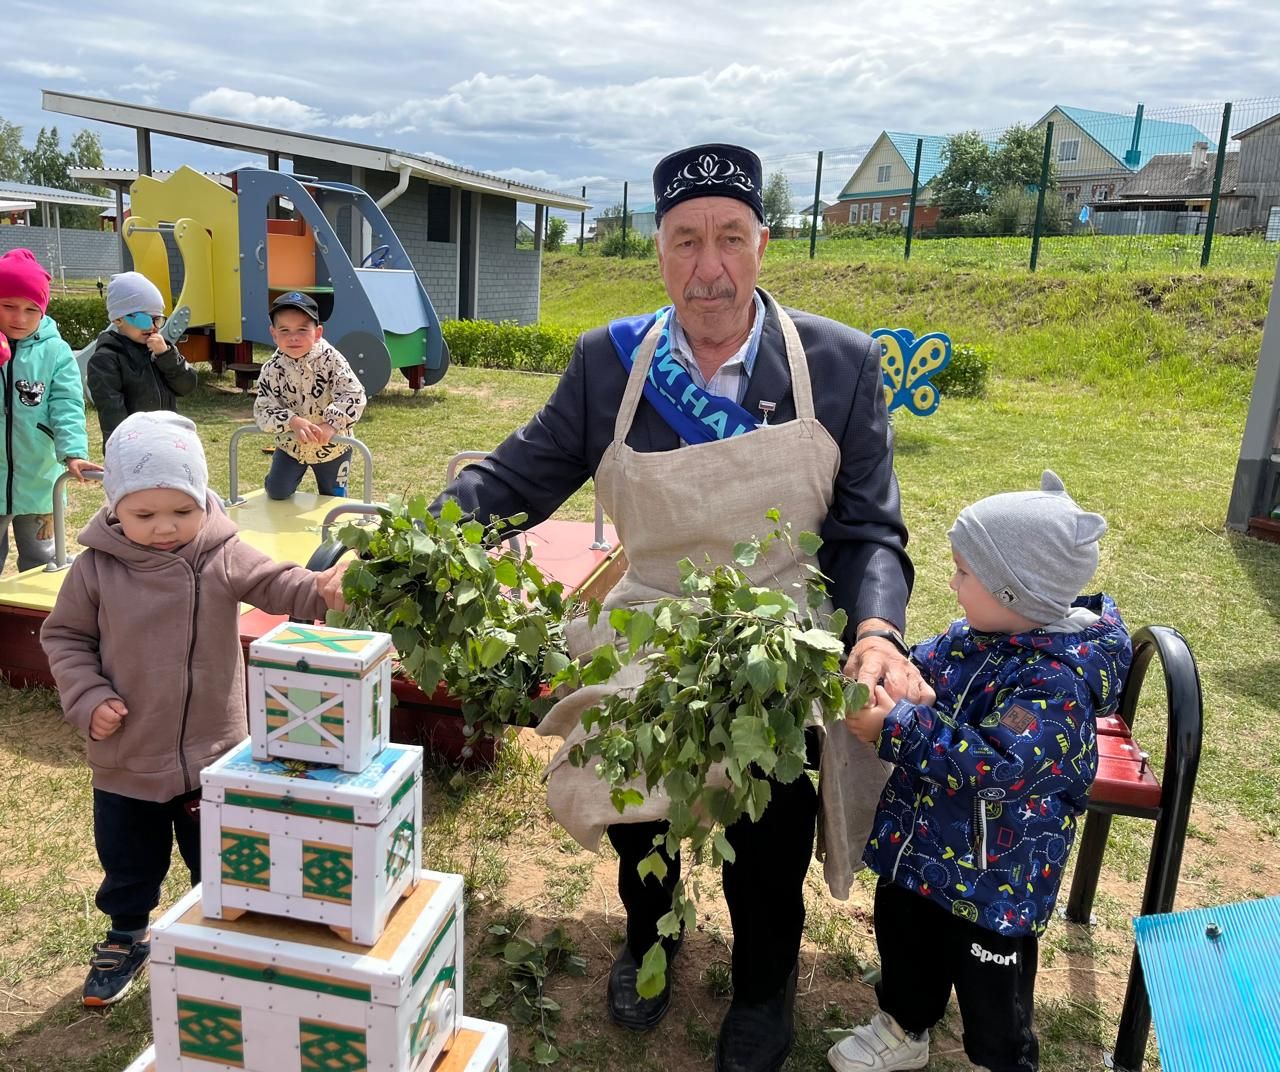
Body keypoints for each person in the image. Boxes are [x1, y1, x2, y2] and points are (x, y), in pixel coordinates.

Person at [424, 143, 922, 1072]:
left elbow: (868, 530)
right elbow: (518, 479)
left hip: (778, 626)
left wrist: (876, 628)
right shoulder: (610, 364)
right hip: (651, 616)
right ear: (658, 251)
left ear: (763, 246)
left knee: (768, 827)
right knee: (637, 806)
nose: (710, 267)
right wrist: (404, 538)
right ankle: (650, 938)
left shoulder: (839, 365)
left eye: (730, 238)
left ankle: (764, 988)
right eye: (687, 241)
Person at [40, 411, 346, 1007]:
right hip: (128, 752)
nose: (164, 528)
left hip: (215, 749)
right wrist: (88, 697)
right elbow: (65, 638)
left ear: (204, 500)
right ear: (113, 509)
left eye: (182, 511)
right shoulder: (96, 568)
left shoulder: (221, 553)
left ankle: (225, 937)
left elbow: (280, 583)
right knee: (129, 859)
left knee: (223, 858)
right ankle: (128, 933)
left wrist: (322, 587)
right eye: (144, 515)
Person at [830, 471, 1133, 1072]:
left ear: (1015, 592)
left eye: (965, 574)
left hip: (995, 878)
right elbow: (928, 668)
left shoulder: (1055, 683)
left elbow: (997, 764)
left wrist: (897, 729)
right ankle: (904, 1026)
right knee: (905, 939)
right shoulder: (973, 637)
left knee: (991, 987)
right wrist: (900, 675)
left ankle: (1002, 1059)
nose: (953, 583)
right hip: (922, 852)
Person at [0, 248, 98, 573]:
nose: (20, 318)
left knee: (44, 559)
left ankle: (43, 622)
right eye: (8, 306)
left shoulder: (56, 352)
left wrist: (73, 453)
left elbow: (67, 406)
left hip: (39, 475)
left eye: (32, 309)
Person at [253, 291, 366, 499]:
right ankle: (277, 486)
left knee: (333, 497)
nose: (293, 337)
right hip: (291, 446)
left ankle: (331, 524)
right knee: (277, 492)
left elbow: (354, 394)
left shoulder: (332, 361)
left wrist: (332, 424)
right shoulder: (272, 369)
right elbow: (262, 408)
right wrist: (292, 421)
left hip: (332, 447)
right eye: (284, 330)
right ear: (273, 333)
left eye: (302, 329)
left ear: (318, 332)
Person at [87, 271, 198, 444]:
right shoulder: (106, 360)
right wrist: (126, 450)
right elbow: (112, 416)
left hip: (167, 440)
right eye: (144, 320)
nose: (153, 327)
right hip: (132, 448)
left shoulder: (161, 350)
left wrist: (166, 356)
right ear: (118, 319)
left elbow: (187, 386)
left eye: (158, 320)